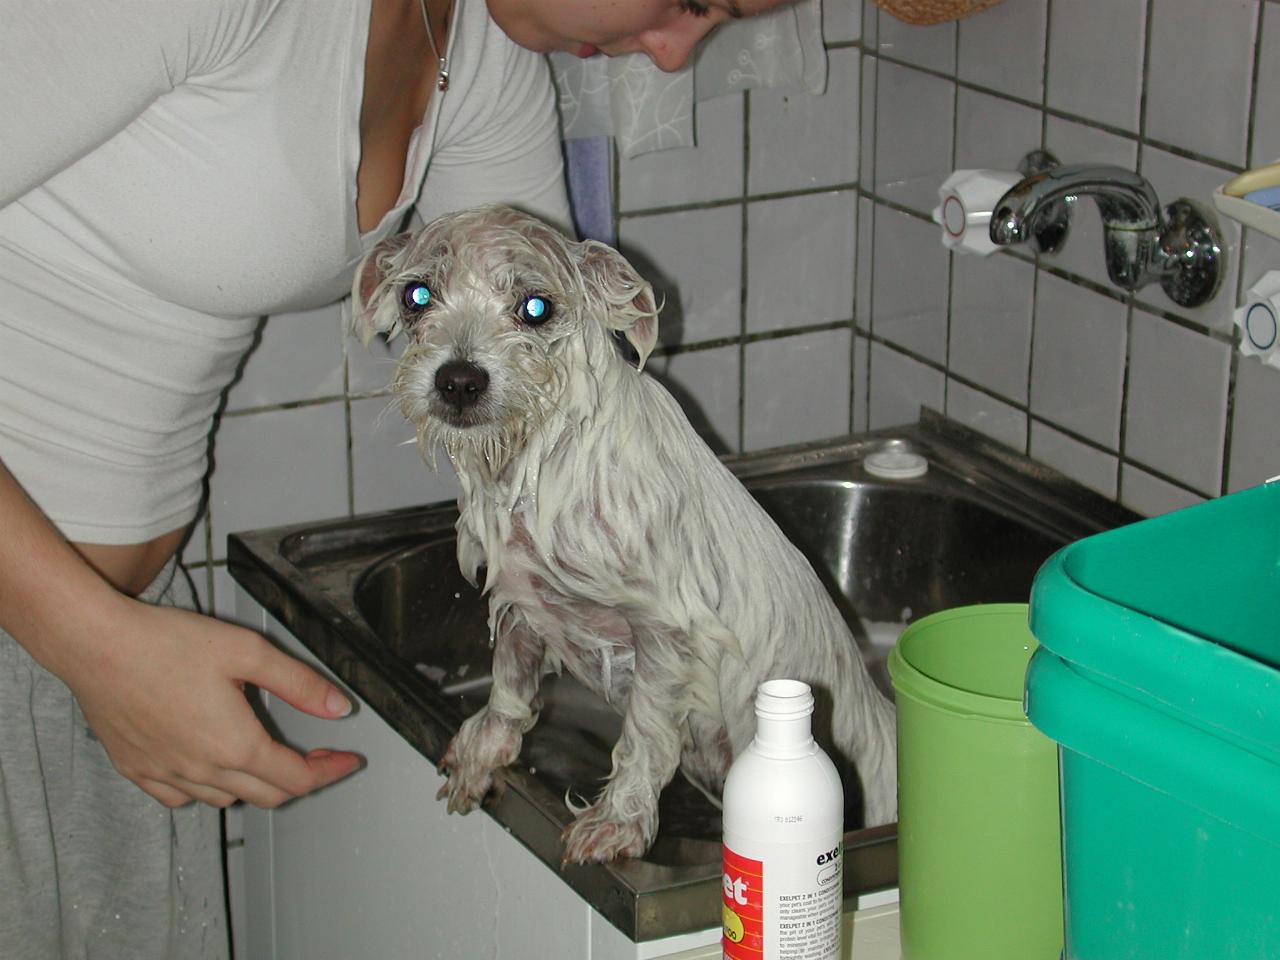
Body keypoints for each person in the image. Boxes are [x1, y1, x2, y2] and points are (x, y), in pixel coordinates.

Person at [0, 0, 794, 957]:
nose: (673, 55)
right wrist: (91, 642)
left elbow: (543, 389)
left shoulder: (480, 49)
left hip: (94, 641)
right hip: (62, 629)